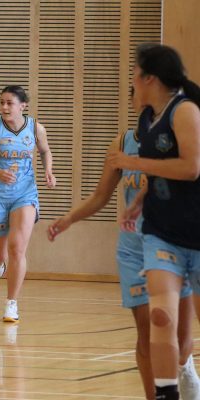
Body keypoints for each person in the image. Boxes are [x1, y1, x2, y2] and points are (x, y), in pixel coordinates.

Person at [48, 86, 200, 400]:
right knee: (148, 332)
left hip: (175, 244)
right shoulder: (122, 143)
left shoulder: (184, 145)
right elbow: (100, 196)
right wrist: (68, 219)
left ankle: (183, 367)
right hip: (134, 249)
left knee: (182, 341)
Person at [106, 43, 200, 400]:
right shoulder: (147, 121)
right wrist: (138, 202)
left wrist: (134, 164)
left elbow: (190, 168)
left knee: (183, 327)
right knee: (161, 317)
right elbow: (159, 176)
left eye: (134, 72)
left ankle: (185, 373)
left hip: (196, 231)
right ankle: (165, 394)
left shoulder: (186, 111)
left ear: (150, 77)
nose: (131, 78)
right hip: (161, 233)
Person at [0, 85, 56, 322]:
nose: (5, 107)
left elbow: (46, 151)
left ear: (22, 106)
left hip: (24, 194)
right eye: (2, 102)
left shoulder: (36, 128)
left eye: (10, 103)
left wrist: (49, 170)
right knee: (0, 254)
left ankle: (11, 304)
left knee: (17, 247)